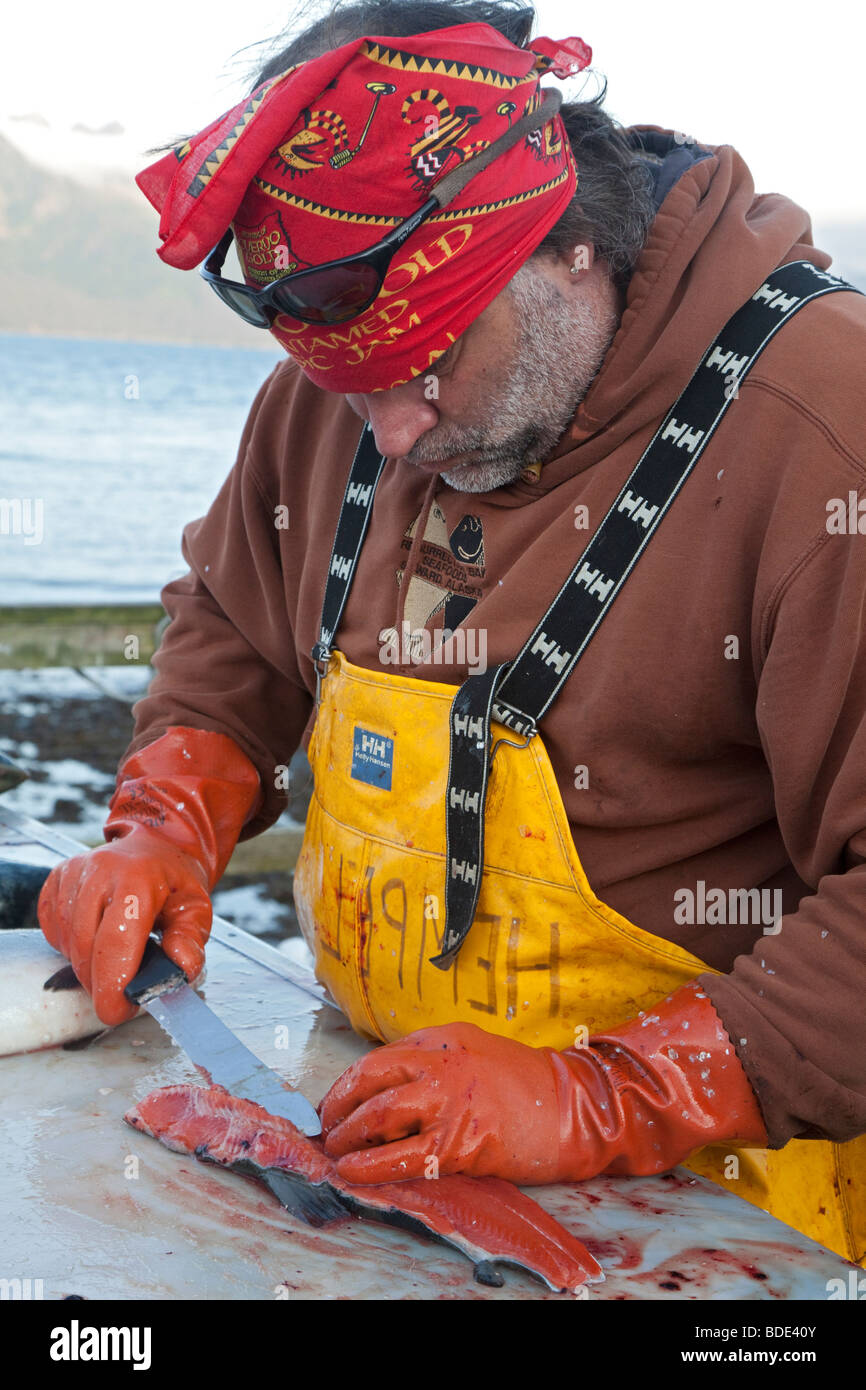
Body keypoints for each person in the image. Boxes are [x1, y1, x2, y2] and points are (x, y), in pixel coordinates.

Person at [38, 0, 866, 1266]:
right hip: (394, 1170)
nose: (389, 434)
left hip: (738, 1222)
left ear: (557, 252)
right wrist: (168, 818)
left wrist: (604, 1096)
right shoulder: (351, 391)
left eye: (426, 366)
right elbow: (236, 631)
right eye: (343, 385)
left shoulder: (823, 429)